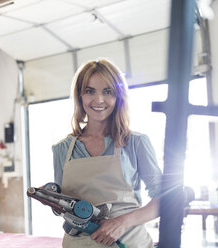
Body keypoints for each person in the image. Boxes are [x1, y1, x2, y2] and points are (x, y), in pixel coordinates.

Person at [52, 58, 162, 248]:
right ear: (80, 96)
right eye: (89, 91)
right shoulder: (62, 149)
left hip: (128, 242)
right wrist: (51, 201)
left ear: (118, 97)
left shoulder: (136, 142)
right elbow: (63, 205)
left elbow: (164, 200)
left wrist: (122, 222)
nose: (99, 100)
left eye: (107, 91)